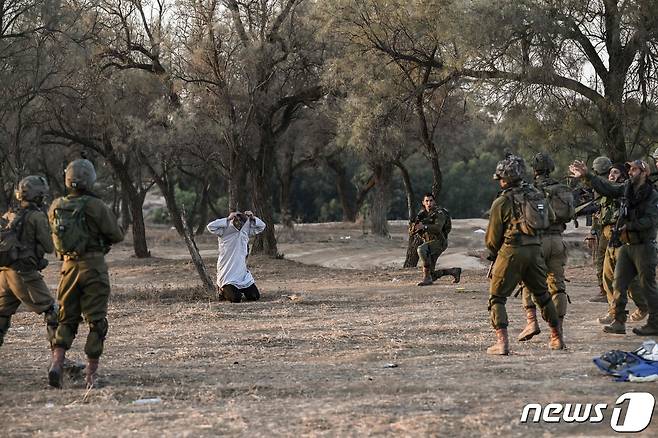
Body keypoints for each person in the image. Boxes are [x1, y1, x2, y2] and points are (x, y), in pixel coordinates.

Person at [47, 159, 124, 389]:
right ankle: (91, 375)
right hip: (93, 267)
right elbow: (116, 234)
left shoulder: (56, 206)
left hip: (68, 268)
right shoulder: (95, 205)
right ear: (90, 179)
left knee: (66, 319)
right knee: (96, 322)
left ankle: (57, 364)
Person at [485, 155, 564, 355]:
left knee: (497, 297)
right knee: (543, 295)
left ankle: (502, 343)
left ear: (504, 178)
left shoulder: (502, 201)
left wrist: (495, 256)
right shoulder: (537, 194)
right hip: (535, 250)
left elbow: (492, 240)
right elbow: (551, 218)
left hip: (512, 250)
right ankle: (556, 337)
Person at [569, 159, 658, 336]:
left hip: (643, 246)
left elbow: (651, 220)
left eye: (634, 169)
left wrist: (630, 225)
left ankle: (654, 323)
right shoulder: (626, 188)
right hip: (626, 244)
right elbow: (607, 188)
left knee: (647, 286)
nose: (631, 172)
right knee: (618, 282)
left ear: (644, 173)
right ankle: (618, 321)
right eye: (630, 169)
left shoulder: (651, 195)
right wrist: (587, 176)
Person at [518, 153, 573, 342]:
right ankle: (557, 334)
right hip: (557, 241)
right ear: (551, 168)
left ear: (534, 169)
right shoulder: (563, 189)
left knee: (528, 281)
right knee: (557, 285)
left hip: (536, 242)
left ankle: (531, 322)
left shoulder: (529, 190)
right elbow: (569, 214)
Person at [0, 176, 58, 350]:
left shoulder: (10, 214)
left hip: (4, 273)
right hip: (24, 274)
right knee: (52, 313)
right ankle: (60, 362)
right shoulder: (36, 217)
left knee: (2, 316)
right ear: (38, 195)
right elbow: (49, 247)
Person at [595, 164, 648, 325]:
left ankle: (644, 306)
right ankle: (614, 311)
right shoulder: (608, 192)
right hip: (610, 237)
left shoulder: (625, 191)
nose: (611, 175)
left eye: (615, 172)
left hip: (625, 239)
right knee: (608, 277)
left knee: (629, 280)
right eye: (610, 172)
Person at [207, 211, 266, 302]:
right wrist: (227, 219)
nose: (239, 222)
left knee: (254, 296)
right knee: (236, 298)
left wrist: (252, 217)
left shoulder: (246, 230)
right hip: (227, 272)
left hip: (241, 272)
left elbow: (262, 226)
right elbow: (210, 226)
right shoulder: (224, 229)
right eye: (237, 219)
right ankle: (222, 290)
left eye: (241, 220)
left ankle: (239, 288)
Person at [410, 193, 461, 286]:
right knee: (432, 274)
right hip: (429, 242)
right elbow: (412, 230)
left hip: (439, 242)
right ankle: (454, 271)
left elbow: (438, 228)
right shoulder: (421, 214)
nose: (429, 203)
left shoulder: (439, 213)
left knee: (421, 249)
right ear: (423, 203)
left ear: (434, 202)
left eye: (431, 201)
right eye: (427, 201)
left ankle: (426, 277)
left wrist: (424, 227)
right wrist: (415, 228)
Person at [586, 156, 613, 302]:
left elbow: (599, 211)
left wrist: (593, 230)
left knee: (601, 258)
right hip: (612, 227)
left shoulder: (600, 185)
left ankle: (604, 291)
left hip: (606, 228)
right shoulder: (613, 182)